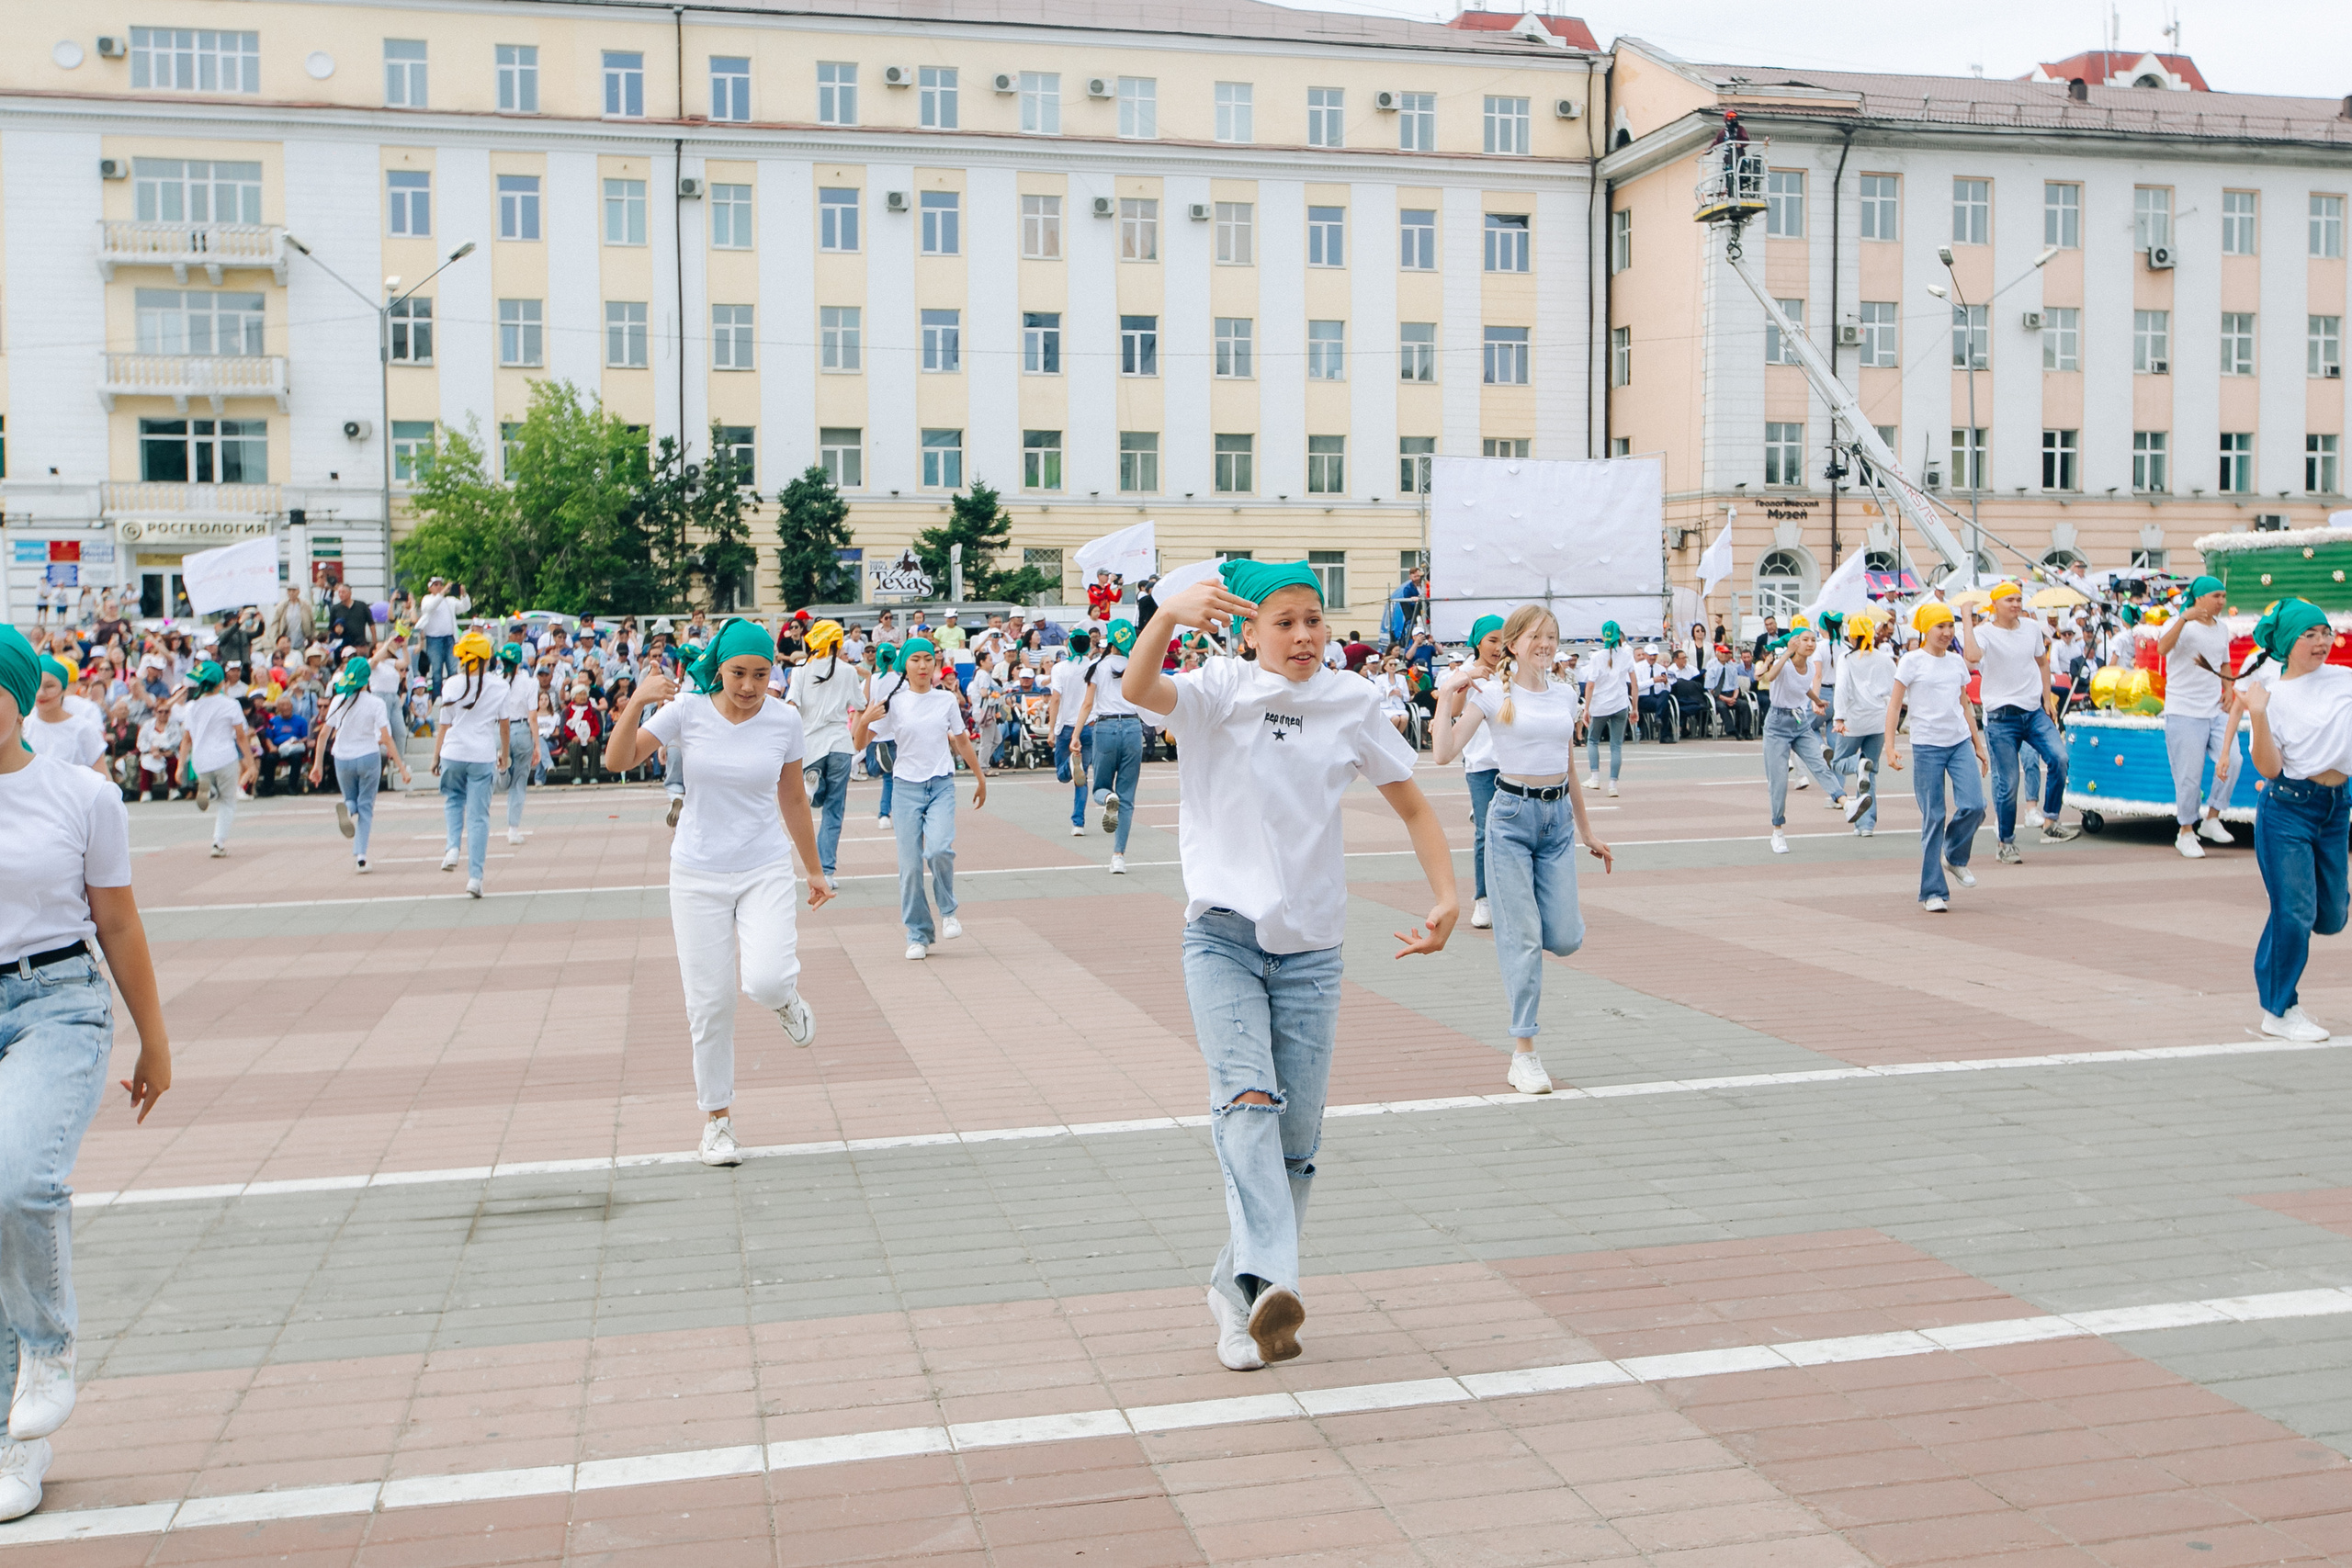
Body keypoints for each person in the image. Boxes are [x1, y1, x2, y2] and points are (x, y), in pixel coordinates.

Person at [1121, 559, 1456, 1371]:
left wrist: (1447, 894)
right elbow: (1138, 686)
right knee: (1246, 1105)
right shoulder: (1217, 690)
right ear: (1249, 630)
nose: (1304, 635)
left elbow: (1411, 801)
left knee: (1296, 1142)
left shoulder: (1353, 701)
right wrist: (1166, 613)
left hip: (1312, 953)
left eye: (1315, 619)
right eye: (1284, 621)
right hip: (1223, 939)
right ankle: (1276, 1276)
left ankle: (1237, 1297)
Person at [0, 627, 174, 1528]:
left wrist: (155, 1041)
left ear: (20, 698)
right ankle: (11, 1439)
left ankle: (48, 1350)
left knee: (20, 1179)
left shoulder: (82, 795)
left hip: (54, 1002)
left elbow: (120, 925)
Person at [605, 620, 832, 1164]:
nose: (749, 686)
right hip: (696, 875)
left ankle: (785, 999)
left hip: (763, 868)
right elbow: (618, 761)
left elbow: (794, 799)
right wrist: (637, 699)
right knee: (709, 1004)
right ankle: (718, 1122)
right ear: (720, 668)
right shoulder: (686, 710)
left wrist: (815, 870)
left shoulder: (784, 720)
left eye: (760, 674)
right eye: (738, 673)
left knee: (765, 978)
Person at [1434, 605, 1613, 1096]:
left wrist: (1587, 831)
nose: (1545, 644)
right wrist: (1449, 692)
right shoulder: (1494, 694)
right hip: (1510, 818)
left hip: (1556, 823)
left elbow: (1569, 765)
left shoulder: (1565, 694)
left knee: (1565, 937)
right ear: (1513, 643)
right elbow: (1443, 754)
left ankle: (1524, 942)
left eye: (1552, 636)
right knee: (1524, 939)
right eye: (1535, 636)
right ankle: (1524, 1053)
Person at [2237, 599, 2349, 1043]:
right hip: (2288, 810)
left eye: (2325, 632)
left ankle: (2278, 961)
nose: (2322, 642)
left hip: (2337, 808)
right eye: (2310, 635)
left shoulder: (2345, 679)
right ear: (2288, 643)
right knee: (2295, 911)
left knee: (2332, 916)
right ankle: (2279, 1010)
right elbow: (2268, 768)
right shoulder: (2272, 696)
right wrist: (2258, 715)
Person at [852, 637, 987, 960]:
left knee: (939, 849)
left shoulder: (945, 700)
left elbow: (963, 742)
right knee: (910, 866)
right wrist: (867, 717)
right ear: (904, 665)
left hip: (941, 785)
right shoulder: (893, 702)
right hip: (905, 789)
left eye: (928, 659)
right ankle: (918, 933)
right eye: (915, 660)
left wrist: (980, 778)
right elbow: (859, 743)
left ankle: (948, 910)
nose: (923, 665)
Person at [1963, 583, 2079, 863]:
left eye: (2018, 599)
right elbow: (1972, 657)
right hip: (2002, 717)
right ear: (1995, 605)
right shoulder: (1984, 633)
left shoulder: (2030, 628)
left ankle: (2050, 821)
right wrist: (1966, 617)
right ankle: (2006, 841)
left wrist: (2047, 699)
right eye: (2009, 600)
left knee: (2060, 757)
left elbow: (2042, 662)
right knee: (2008, 782)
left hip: (2033, 711)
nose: (2016, 604)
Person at [1886, 603, 1988, 913]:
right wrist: (1890, 746)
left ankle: (1955, 856)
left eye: (1950, 626)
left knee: (1975, 805)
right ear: (1926, 629)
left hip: (1958, 742)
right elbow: (1894, 705)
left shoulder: (1957, 662)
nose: (1946, 633)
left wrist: (1977, 743)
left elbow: (1965, 704)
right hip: (1927, 746)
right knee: (1934, 816)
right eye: (1939, 627)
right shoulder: (1911, 661)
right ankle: (1933, 891)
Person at [2160, 574, 2241, 859]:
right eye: (2216, 596)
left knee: (2234, 759)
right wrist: (2184, 619)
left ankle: (2212, 818)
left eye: (2223, 596)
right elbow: (2161, 649)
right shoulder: (2178, 623)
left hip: (2214, 709)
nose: (2222, 601)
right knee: (2189, 776)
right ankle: (2185, 832)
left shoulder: (2221, 628)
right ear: (2200, 598)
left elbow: (2225, 661)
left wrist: (2229, 688)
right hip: (2183, 710)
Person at [307, 654, 410, 871]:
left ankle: (346, 807)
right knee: (366, 808)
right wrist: (400, 767)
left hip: (342, 758)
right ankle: (361, 857)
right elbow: (386, 738)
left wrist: (317, 765)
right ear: (368, 679)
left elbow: (324, 735)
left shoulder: (337, 700)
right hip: (368, 757)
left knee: (351, 799)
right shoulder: (376, 703)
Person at [1438, 616, 1506, 931]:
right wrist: (1465, 679)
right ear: (1478, 641)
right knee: (1484, 834)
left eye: (1504, 640)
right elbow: (1452, 710)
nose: (1498, 646)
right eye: (1492, 640)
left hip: (1513, 764)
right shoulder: (1463, 671)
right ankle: (1483, 899)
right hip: (1480, 762)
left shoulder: (1514, 672)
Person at [431, 632, 510, 898]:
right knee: (479, 817)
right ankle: (475, 877)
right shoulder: (500, 686)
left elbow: (444, 723)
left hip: (453, 751)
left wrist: (436, 755)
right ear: (487, 659)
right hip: (482, 754)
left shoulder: (451, 684)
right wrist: (505, 754)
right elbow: (505, 725)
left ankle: (452, 847)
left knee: (453, 800)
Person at [1757, 626, 1846, 853]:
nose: (1810, 644)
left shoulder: (1808, 668)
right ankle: (1777, 831)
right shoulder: (1784, 663)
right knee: (1778, 782)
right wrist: (1786, 652)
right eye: (1805, 640)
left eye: (1813, 640)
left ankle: (1846, 802)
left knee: (1819, 764)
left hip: (1799, 722)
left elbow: (1804, 687)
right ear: (1795, 642)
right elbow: (1769, 677)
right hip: (1777, 725)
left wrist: (1817, 700)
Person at [786, 620, 858, 885]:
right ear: (838, 643)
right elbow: (859, 703)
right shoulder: (848, 671)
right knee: (833, 810)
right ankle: (826, 871)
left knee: (815, 801)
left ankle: (814, 779)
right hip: (840, 743)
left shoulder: (801, 671)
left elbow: (792, 703)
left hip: (811, 744)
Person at [1072, 620, 1144, 874]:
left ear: (1110, 640)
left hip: (1105, 728)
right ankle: (1118, 856)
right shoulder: (1136, 666)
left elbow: (1087, 705)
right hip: (1134, 729)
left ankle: (1107, 798)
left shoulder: (1098, 667)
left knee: (1100, 787)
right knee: (1128, 797)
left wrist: (1076, 734)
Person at [175, 661, 257, 858]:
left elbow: (186, 739)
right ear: (221, 684)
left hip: (200, 760)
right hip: (225, 757)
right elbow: (240, 736)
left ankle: (209, 791)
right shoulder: (230, 704)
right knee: (228, 802)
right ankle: (218, 843)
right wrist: (251, 764)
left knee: (212, 787)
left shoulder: (192, 707)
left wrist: (180, 767)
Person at [1831, 616, 1897, 837]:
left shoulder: (1847, 658)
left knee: (1839, 762)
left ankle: (1859, 764)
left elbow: (1841, 688)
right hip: (1878, 719)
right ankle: (1867, 824)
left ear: (1851, 635)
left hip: (1853, 719)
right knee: (1870, 775)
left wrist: (1838, 717)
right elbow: (1893, 688)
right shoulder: (1884, 659)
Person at [1580, 622, 1638, 796]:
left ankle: (1595, 777)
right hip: (1620, 704)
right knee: (1616, 746)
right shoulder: (1627, 655)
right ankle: (1613, 784)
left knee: (1592, 740)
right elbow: (1634, 684)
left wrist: (1586, 708)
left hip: (1600, 705)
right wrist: (1635, 707)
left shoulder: (1597, 656)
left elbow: (1590, 685)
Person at [23, 660, 106, 775]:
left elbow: (103, 778)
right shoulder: (23, 727)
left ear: (63, 689)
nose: (41, 693)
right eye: (36, 685)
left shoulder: (83, 729)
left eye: (49, 686)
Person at [1049, 628, 1095, 837]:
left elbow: (1056, 699)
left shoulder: (1059, 669)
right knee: (1082, 777)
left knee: (1062, 775)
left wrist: (1051, 729)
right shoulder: (1094, 666)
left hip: (1066, 726)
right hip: (1088, 724)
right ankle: (1078, 823)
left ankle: (1069, 766)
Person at [496, 642, 536, 845]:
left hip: (498, 728)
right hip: (521, 729)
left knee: (500, 776)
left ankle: (502, 772)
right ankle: (513, 829)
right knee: (520, 780)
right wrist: (537, 745)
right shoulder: (529, 682)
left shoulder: (495, 681)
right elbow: (533, 717)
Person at [415, 577, 468, 702]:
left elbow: (464, 608)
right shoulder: (427, 599)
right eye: (436, 585)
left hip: (449, 638)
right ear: (430, 588)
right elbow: (429, 608)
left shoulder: (449, 601)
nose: (439, 587)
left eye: (440, 584)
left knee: (452, 669)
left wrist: (464, 595)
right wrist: (442, 593)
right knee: (436, 671)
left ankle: (454, 695)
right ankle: (437, 698)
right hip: (434, 640)